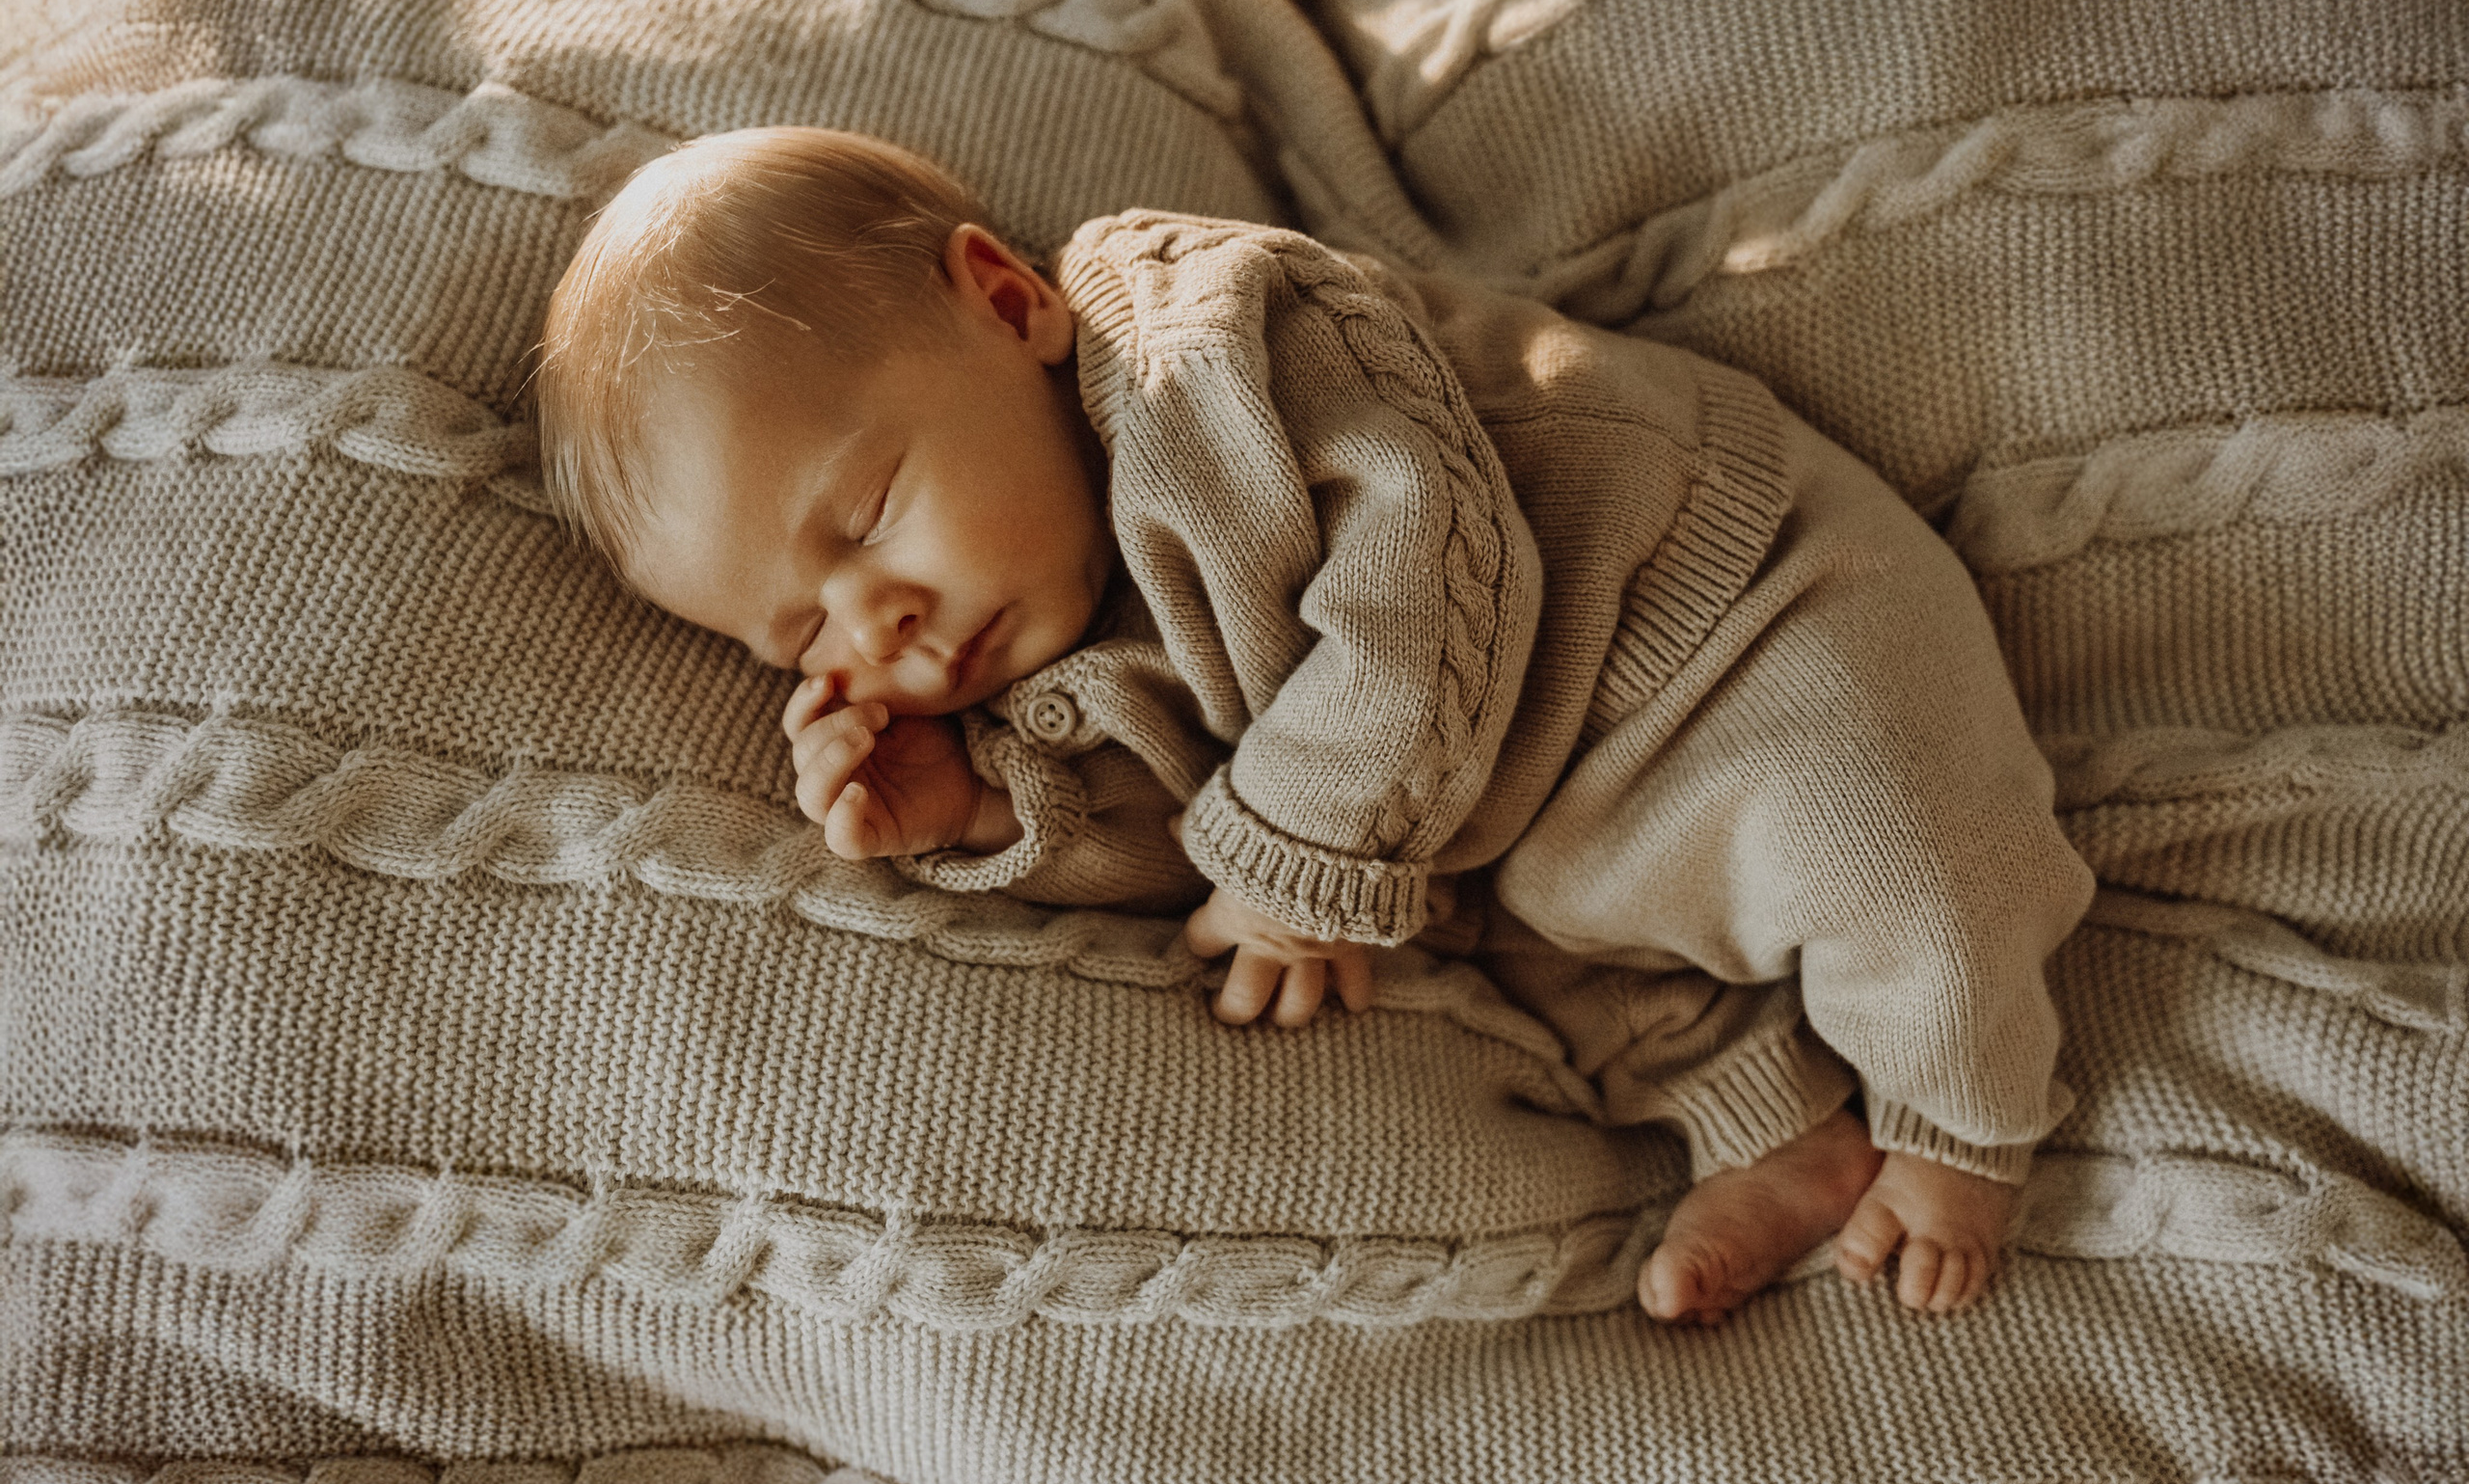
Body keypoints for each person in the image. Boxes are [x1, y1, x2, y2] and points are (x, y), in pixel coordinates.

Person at [532, 126, 2096, 1326]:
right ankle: (1771, 1131)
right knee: (1531, 969)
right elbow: (1197, 856)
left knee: (1897, 849)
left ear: (1004, 303)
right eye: (802, 631)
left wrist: (1290, 855)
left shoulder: (1213, 343)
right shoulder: (1050, 659)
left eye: (868, 518)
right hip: (1517, 817)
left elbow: (1432, 575)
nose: (884, 626)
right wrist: (976, 815)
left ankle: (1963, 1121)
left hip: (1733, 624)